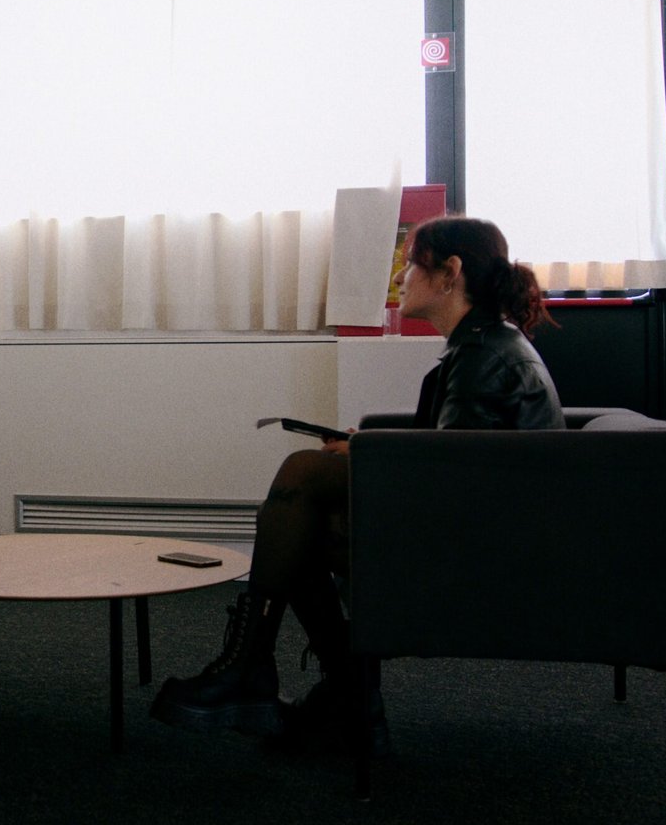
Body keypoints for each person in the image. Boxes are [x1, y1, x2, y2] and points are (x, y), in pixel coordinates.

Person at [150, 215, 564, 751]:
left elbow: (450, 478)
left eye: (411, 265)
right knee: (296, 523)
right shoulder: (483, 346)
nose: (400, 278)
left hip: (487, 558)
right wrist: (369, 445)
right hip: (488, 534)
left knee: (300, 481)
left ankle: (268, 672)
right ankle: (325, 689)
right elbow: (454, 462)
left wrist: (370, 451)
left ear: (450, 273)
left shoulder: (483, 358)